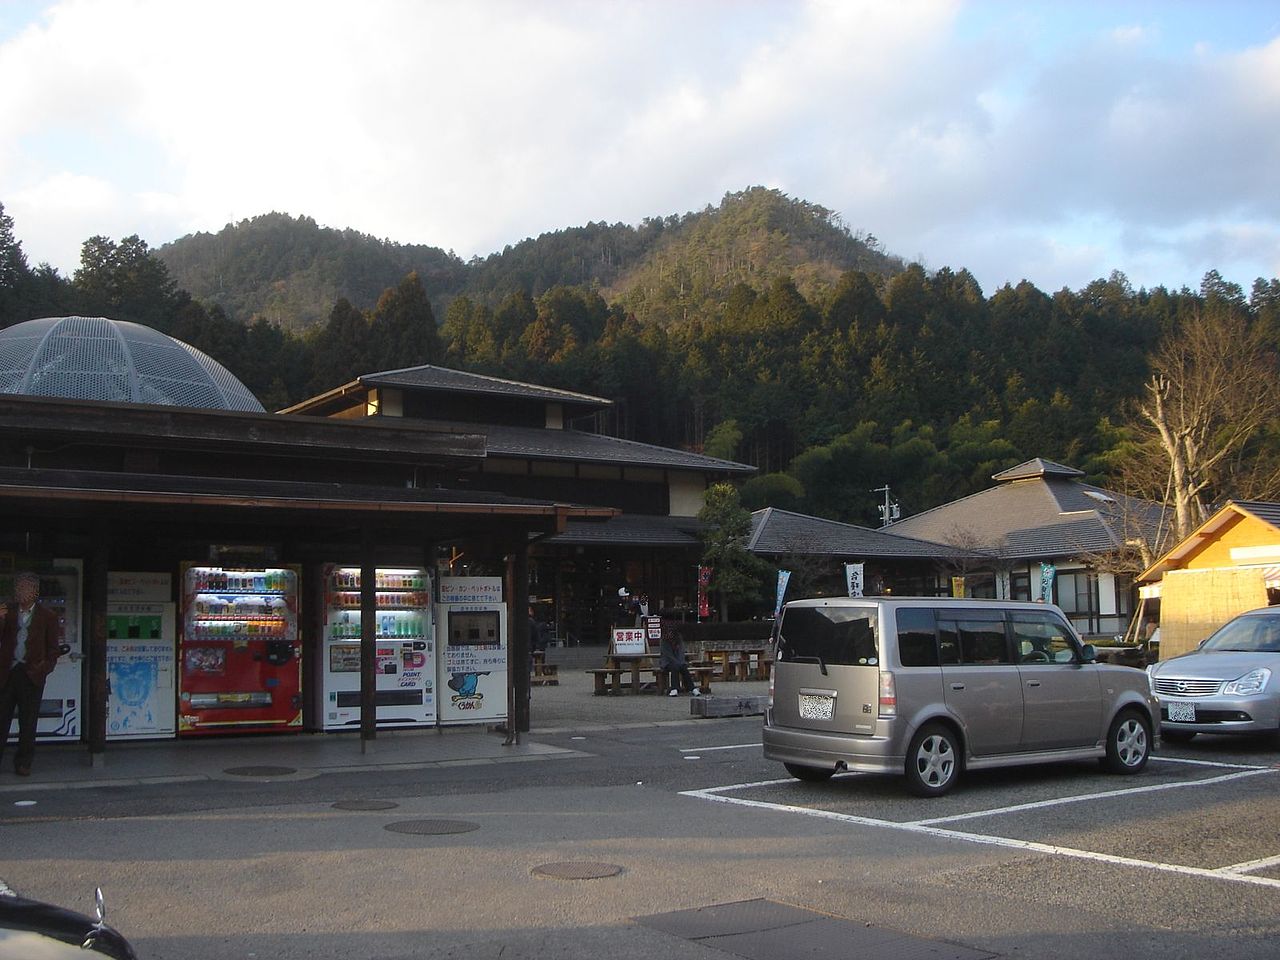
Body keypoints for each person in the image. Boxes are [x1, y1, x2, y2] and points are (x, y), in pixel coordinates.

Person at [0, 572, 63, 776]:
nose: (21, 591)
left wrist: (43, 668)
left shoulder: (48, 616)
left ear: (35, 591)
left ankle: (23, 762)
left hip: (31, 674)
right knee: (2, 718)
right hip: (7, 672)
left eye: (26, 587)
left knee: (28, 722)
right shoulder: (7, 612)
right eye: (19, 587)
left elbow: (54, 648)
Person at [659, 623, 700, 698]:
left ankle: (692, 688)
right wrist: (677, 663)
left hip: (679, 661)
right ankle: (674, 688)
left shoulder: (679, 639)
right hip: (667, 662)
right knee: (675, 667)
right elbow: (668, 655)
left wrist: (681, 662)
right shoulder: (663, 641)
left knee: (684, 668)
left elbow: (681, 652)